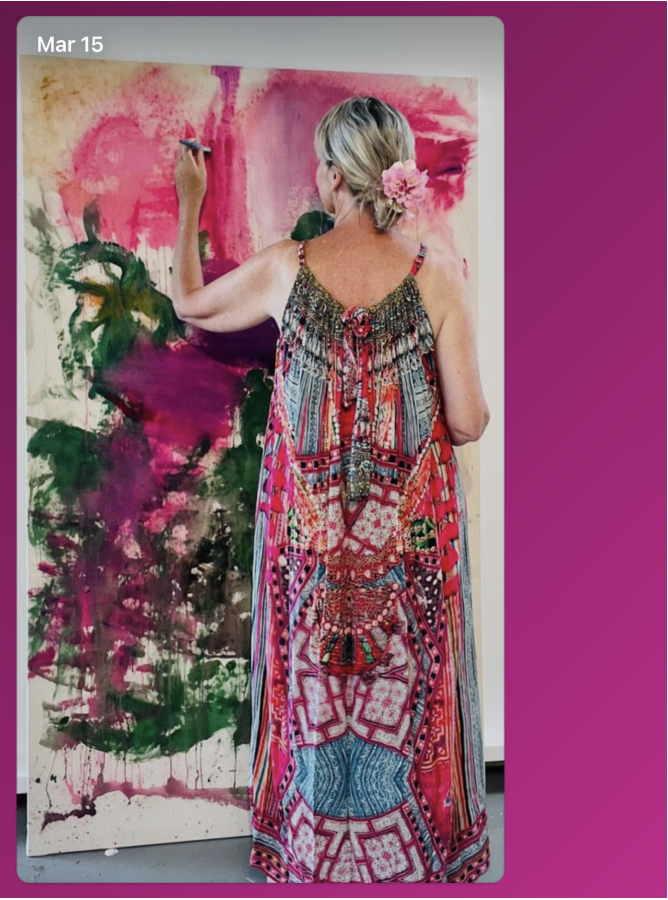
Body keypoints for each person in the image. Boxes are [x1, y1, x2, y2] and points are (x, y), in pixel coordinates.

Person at [173, 96, 491, 883]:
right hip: (407, 546)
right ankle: (416, 853)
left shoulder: (286, 267)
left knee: (311, 688)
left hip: (308, 542)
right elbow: (468, 420)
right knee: (409, 694)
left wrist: (189, 202)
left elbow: (188, 304)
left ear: (334, 176)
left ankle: (310, 851)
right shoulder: (434, 277)